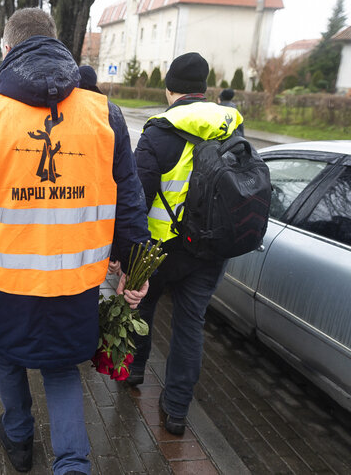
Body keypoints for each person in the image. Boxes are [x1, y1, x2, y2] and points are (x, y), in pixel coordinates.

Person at [0, 8, 150, 475]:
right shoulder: (104, 114)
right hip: (75, 284)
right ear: (59, 47)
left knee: (8, 358)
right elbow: (129, 202)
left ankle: (18, 439)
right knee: (60, 369)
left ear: (7, 52)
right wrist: (134, 267)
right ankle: (73, 464)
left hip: (4, 282)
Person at [129, 52, 244, 436]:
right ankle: (176, 410)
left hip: (161, 248)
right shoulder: (231, 127)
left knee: (142, 307)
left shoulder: (158, 131)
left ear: (169, 88)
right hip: (210, 249)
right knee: (190, 326)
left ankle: (132, 371)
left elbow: (136, 199)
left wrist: (125, 255)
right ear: (204, 89)